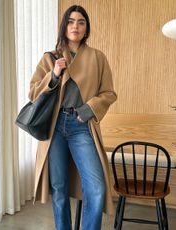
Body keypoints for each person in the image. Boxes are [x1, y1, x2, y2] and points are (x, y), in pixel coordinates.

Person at [28, 5, 117, 230]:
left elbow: (109, 93)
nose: (75, 26)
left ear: (86, 29)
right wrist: (54, 74)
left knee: (96, 188)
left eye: (80, 22)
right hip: (54, 128)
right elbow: (32, 92)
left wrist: (87, 110)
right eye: (70, 21)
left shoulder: (98, 57)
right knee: (59, 188)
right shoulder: (51, 58)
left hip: (81, 127)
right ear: (64, 26)